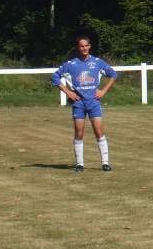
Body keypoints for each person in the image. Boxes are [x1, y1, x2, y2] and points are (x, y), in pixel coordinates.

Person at [51, 36, 118, 172]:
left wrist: (103, 90)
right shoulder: (71, 64)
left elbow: (113, 74)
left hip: (93, 103)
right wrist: (68, 92)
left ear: (90, 46)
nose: (84, 48)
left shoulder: (97, 62)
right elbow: (55, 77)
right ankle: (80, 164)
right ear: (78, 47)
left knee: (99, 132)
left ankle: (105, 163)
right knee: (79, 133)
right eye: (81, 46)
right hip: (79, 104)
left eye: (86, 45)